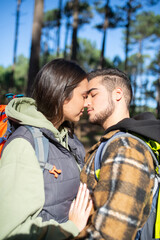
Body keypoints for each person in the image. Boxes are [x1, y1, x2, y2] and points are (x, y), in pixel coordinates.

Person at [0, 58, 92, 240]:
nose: (88, 103)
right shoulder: (24, 145)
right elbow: (10, 231)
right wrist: (70, 228)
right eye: (84, 96)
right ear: (63, 94)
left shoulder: (71, 142)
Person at [78, 68, 160, 240]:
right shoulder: (114, 142)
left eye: (93, 95)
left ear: (117, 94)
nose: (86, 104)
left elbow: (113, 233)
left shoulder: (125, 146)